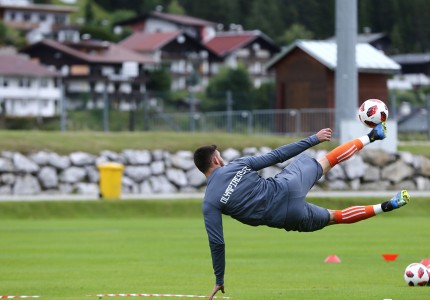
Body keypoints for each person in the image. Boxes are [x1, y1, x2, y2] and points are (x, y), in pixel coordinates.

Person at [193, 122, 410, 300]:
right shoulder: (236, 165)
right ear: (215, 160)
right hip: (288, 185)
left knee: (335, 217)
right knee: (328, 160)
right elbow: (278, 155)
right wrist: (313, 139)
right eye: (219, 156)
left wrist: (219, 279)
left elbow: (217, 243)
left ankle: (385, 206)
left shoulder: (210, 202)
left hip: (287, 216)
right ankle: (372, 135)